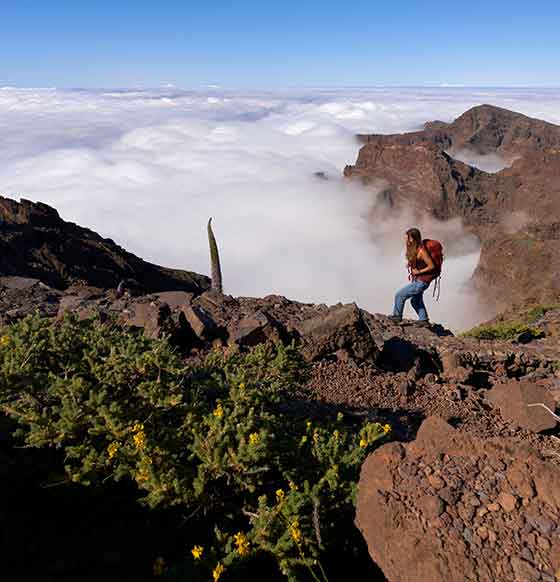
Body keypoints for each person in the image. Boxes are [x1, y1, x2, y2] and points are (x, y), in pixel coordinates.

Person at [389, 228, 435, 325]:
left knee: (400, 295)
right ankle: (424, 320)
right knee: (415, 301)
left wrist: (419, 271)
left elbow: (432, 266)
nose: (405, 239)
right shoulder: (414, 248)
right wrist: (411, 264)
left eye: (407, 237)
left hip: (421, 282)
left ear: (412, 238)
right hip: (418, 280)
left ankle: (397, 317)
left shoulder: (422, 251)